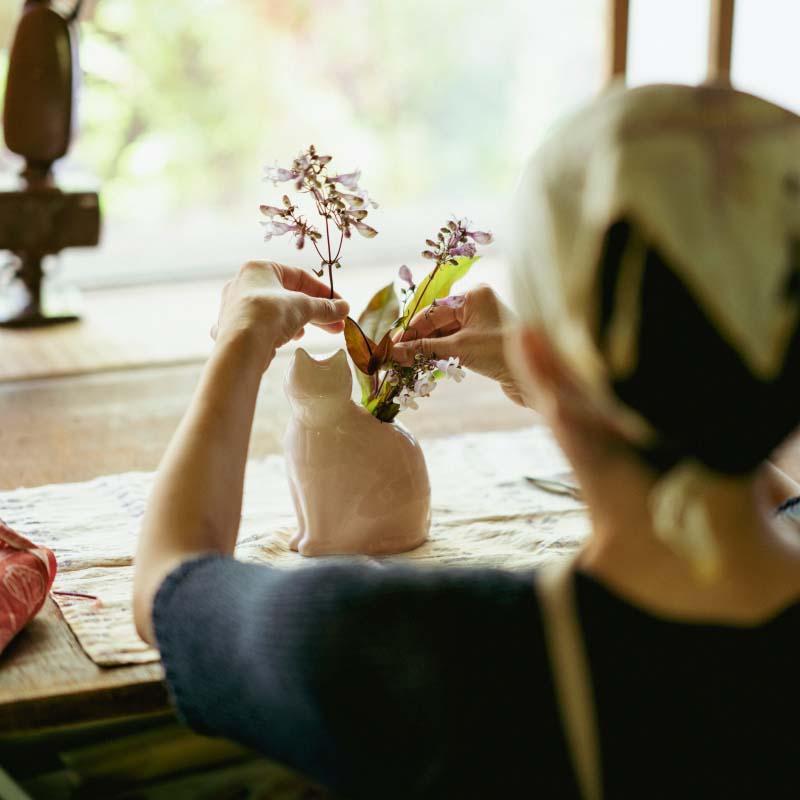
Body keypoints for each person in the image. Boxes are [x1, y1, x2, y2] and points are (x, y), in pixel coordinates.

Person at [133, 83, 800, 799]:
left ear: (542, 364)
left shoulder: (431, 654)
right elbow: (755, 480)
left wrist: (239, 343)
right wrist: (565, 374)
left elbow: (170, 583)